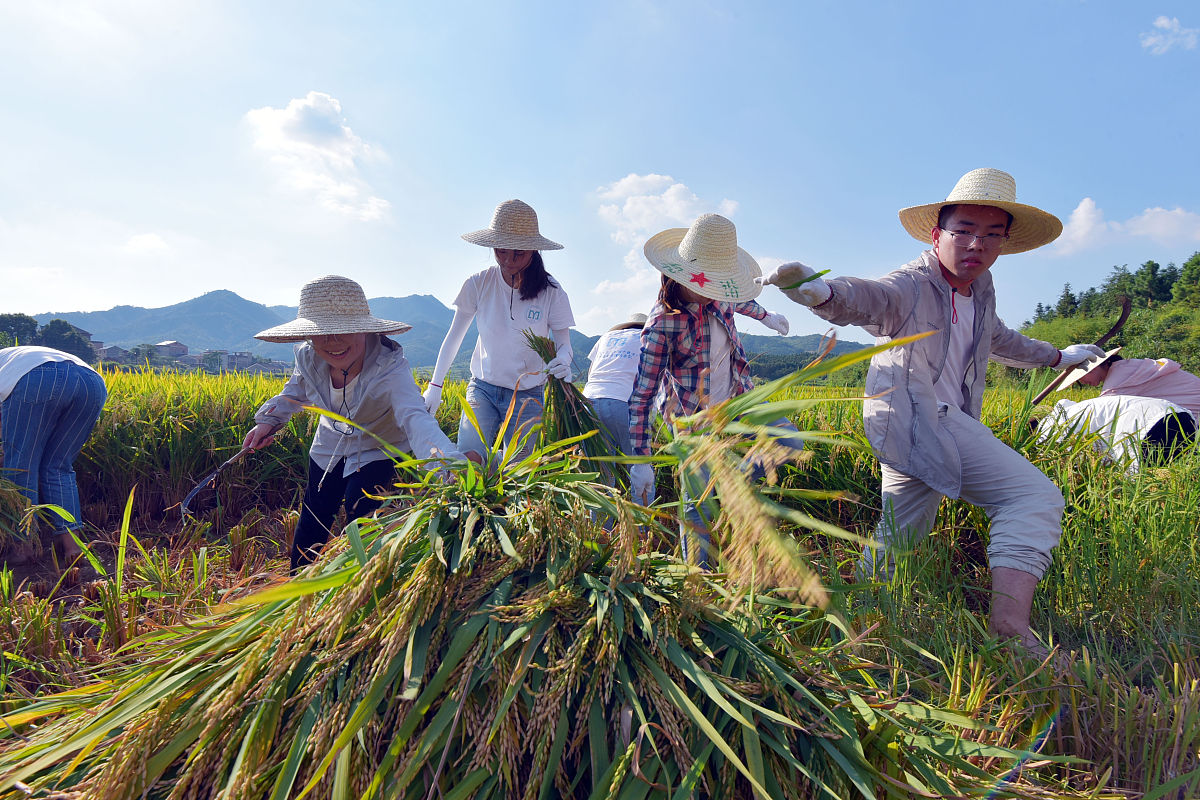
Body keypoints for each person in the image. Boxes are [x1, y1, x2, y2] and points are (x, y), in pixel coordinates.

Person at [760, 167, 1106, 658]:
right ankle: (1011, 631)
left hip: (917, 428)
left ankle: (856, 635)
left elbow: (1001, 339)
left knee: (897, 541)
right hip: (918, 417)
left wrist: (1058, 357)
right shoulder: (914, 282)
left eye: (991, 235)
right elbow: (873, 297)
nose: (976, 245)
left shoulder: (981, 290)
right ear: (936, 234)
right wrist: (820, 293)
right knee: (1034, 497)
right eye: (963, 230)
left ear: (1004, 244)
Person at [245, 275, 463, 571]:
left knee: (362, 513)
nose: (333, 343)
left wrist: (450, 470)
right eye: (322, 333)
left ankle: (364, 588)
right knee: (314, 517)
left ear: (363, 329)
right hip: (329, 444)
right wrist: (267, 422)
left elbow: (415, 418)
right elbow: (294, 392)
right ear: (310, 335)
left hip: (378, 446)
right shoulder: (308, 357)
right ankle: (297, 591)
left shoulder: (390, 367)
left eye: (344, 331)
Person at [628, 213, 805, 567]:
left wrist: (767, 317)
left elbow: (740, 300)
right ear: (679, 276)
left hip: (738, 402)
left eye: (720, 286)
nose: (715, 294)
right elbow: (642, 396)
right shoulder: (662, 324)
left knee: (789, 440)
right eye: (708, 285)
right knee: (697, 509)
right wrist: (641, 460)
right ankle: (700, 585)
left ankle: (728, 484)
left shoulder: (721, 293)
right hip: (693, 421)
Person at [423, 200, 575, 463]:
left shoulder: (551, 292)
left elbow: (565, 344)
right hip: (483, 388)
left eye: (518, 254)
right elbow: (454, 337)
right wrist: (435, 386)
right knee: (469, 461)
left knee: (519, 472)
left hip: (528, 393)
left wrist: (563, 360)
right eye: (501, 252)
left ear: (533, 250)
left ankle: (502, 471)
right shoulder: (479, 283)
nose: (508, 261)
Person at [0, 345, 107, 564]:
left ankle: (22, 548)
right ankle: (73, 548)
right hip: (92, 383)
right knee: (58, 467)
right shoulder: (12, 356)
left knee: (20, 466)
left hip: (36, 380)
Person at [1035, 395, 1196, 472]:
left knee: (1136, 483)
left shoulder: (1048, 429)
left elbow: (1071, 463)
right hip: (1177, 413)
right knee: (1178, 473)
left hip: (1142, 425)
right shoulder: (1077, 408)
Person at [1057, 347, 1200, 417]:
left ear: (1091, 369)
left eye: (1080, 378)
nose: (1083, 382)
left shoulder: (1118, 380)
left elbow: (1102, 416)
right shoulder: (1129, 366)